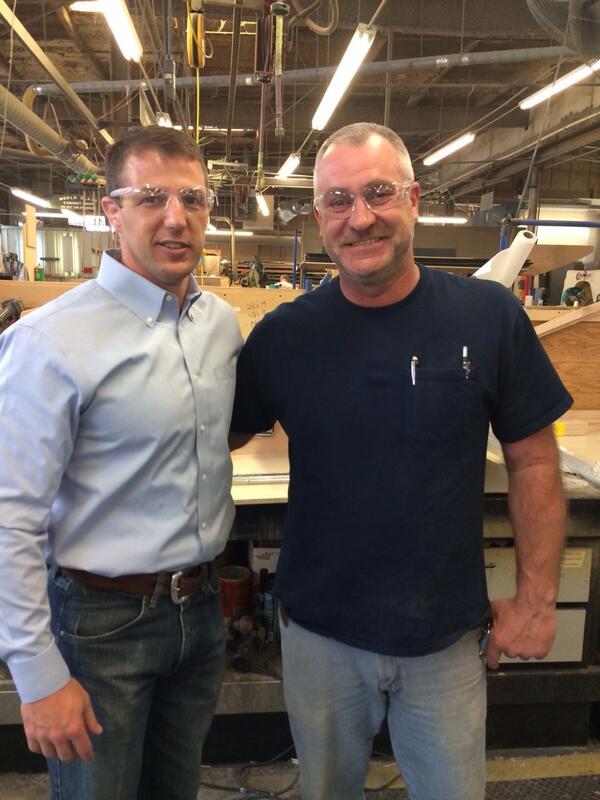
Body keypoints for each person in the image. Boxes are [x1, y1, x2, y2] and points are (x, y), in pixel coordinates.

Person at [230, 122, 572, 800]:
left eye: (378, 193)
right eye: (338, 200)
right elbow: (211, 440)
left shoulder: (488, 317)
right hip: (320, 637)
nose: (359, 218)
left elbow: (535, 461)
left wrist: (536, 601)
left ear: (414, 199)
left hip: (446, 640)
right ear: (320, 217)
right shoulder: (285, 336)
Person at [0, 126, 243, 800]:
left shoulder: (219, 325)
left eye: (192, 199)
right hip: (101, 624)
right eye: (151, 198)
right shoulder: (49, 341)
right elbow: (8, 519)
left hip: (200, 614)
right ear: (111, 210)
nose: (176, 218)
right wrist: (37, 674)